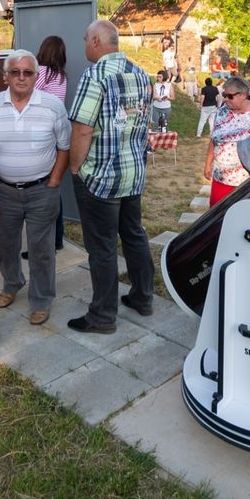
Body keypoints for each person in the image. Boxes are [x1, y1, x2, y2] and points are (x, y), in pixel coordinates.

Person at [67, 20, 155, 333]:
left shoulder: (95, 75)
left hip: (102, 178)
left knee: (102, 247)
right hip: (132, 174)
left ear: (95, 41)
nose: (84, 45)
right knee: (133, 234)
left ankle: (103, 316)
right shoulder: (142, 74)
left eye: (85, 40)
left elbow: (81, 128)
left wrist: (75, 167)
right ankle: (143, 297)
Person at [0, 50, 71, 326]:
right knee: (6, 246)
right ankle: (12, 282)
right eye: (15, 72)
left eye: (27, 72)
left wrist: (54, 182)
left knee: (42, 250)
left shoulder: (53, 106)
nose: (21, 77)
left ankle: (41, 300)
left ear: (36, 76)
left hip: (42, 190)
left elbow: (64, 147)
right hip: (3, 191)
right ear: (5, 76)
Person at [204, 76, 250, 205]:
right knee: (218, 221)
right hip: (220, 179)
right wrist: (208, 163)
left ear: (243, 95)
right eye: (224, 95)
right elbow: (214, 139)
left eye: (230, 96)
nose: (226, 99)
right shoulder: (221, 112)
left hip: (245, 183)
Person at [32, 35, 68, 255]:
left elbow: (23, 94)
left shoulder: (40, 74)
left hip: (38, 136)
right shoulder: (62, 76)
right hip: (55, 135)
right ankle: (57, 238)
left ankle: (44, 244)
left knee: (39, 190)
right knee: (53, 189)